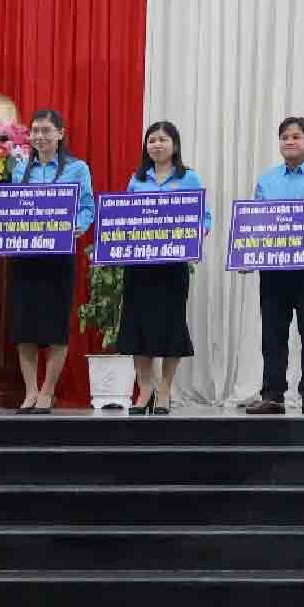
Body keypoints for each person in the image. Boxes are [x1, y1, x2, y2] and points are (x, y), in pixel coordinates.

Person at [244, 117, 304, 416]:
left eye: (296, 136)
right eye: (285, 136)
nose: (290, 141)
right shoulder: (267, 179)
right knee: (273, 335)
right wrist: (247, 253)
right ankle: (272, 395)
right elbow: (255, 222)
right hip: (273, 271)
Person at [115, 121, 210, 415]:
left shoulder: (189, 178)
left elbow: (204, 218)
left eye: (162, 140)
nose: (156, 145)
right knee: (138, 328)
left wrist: (195, 234)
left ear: (175, 145)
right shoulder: (137, 179)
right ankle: (145, 389)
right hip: (139, 266)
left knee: (170, 327)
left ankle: (165, 389)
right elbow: (126, 216)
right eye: (151, 140)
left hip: (172, 267)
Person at [7, 109, 95, 413]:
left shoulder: (77, 168)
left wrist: (79, 226)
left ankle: (48, 391)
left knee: (56, 325)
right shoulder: (20, 169)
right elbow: (10, 209)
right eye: (35, 131)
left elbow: (87, 208)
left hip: (59, 256)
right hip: (26, 256)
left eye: (46, 130)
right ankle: (30, 391)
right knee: (24, 326)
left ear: (60, 133)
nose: (40, 137)